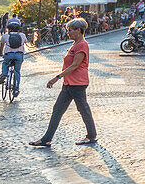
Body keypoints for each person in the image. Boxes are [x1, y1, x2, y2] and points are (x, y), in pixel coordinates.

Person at [30, 19, 96, 147]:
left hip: (77, 83)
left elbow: (75, 65)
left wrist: (56, 78)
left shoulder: (82, 44)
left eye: (70, 30)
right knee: (58, 110)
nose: (68, 32)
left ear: (78, 30)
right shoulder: (75, 44)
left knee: (83, 110)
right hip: (69, 83)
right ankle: (46, 139)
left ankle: (91, 136)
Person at [0, 19, 26, 98]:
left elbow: (2, 45)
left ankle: (4, 74)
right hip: (19, 55)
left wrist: (1, 53)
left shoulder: (5, 36)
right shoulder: (22, 35)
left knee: (5, 63)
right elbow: (24, 43)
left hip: (9, 55)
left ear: (9, 29)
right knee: (17, 71)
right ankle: (16, 89)